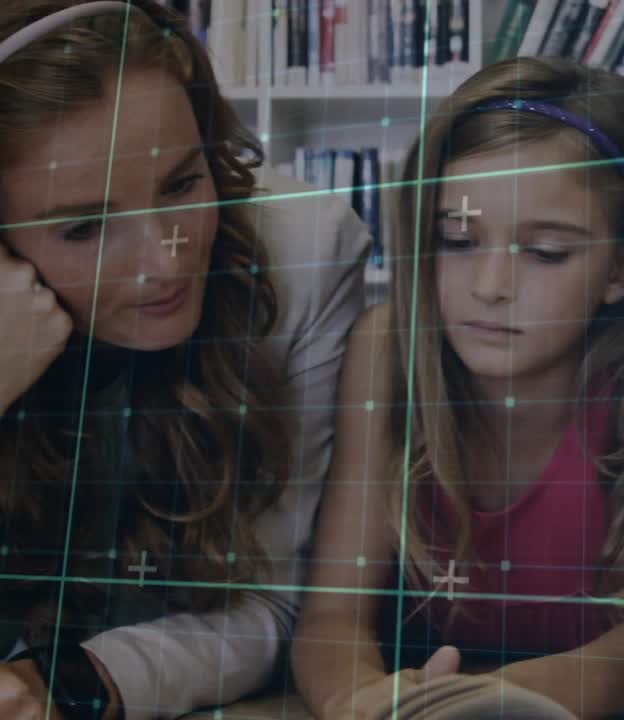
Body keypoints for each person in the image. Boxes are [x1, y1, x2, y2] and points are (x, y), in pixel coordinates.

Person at [291, 55, 624, 720]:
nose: (491, 287)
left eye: (548, 252)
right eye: (457, 240)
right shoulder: (387, 350)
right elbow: (330, 620)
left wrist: (501, 702)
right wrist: (367, 703)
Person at [0, 2, 369, 718]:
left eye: (181, 184)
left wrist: (71, 685)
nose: (163, 261)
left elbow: (274, 606)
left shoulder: (302, 253)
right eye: (85, 227)